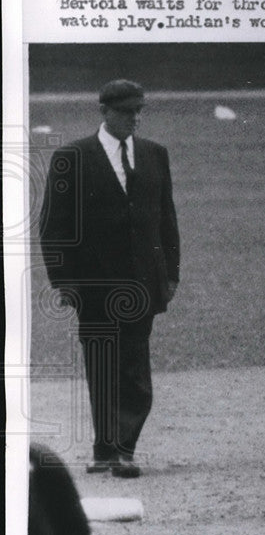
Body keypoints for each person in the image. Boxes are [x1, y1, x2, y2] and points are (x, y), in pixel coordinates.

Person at [40, 80, 180, 478]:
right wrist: (63, 281)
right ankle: (106, 449)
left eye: (139, 110)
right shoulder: (73, 156)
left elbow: (166, 220)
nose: (135, 117)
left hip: (142, 283)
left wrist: (171, 274)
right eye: (126, 111)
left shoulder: (155, 155)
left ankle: (123, 450)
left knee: (134, 369)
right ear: (104, 112)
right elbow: (53, 225)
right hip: (93, 285)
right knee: (102, 366)